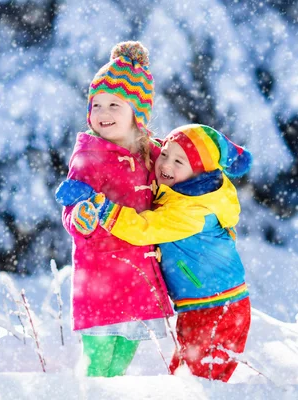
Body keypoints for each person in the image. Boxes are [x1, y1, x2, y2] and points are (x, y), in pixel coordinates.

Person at [56, 124, 253, 382]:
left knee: (194, 383)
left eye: (178, 161)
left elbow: (145, 228)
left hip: (217, 307)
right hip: (204, 304)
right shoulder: (184, 188)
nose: (166, 165)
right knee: (189, 376)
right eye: (165, 154)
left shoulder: (193, 211)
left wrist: (100, 205)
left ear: (199, 171)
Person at [60, 40, 173, 378]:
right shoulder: (89, 156)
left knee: (122, 359)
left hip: (136, 276)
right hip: (100, 276)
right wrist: (79, 217)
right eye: (97, 105)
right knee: (98, 361)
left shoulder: (151, 155)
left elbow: (176, 178)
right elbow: (72, 204)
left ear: (137, 113)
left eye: (114, 105)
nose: (103, 113)